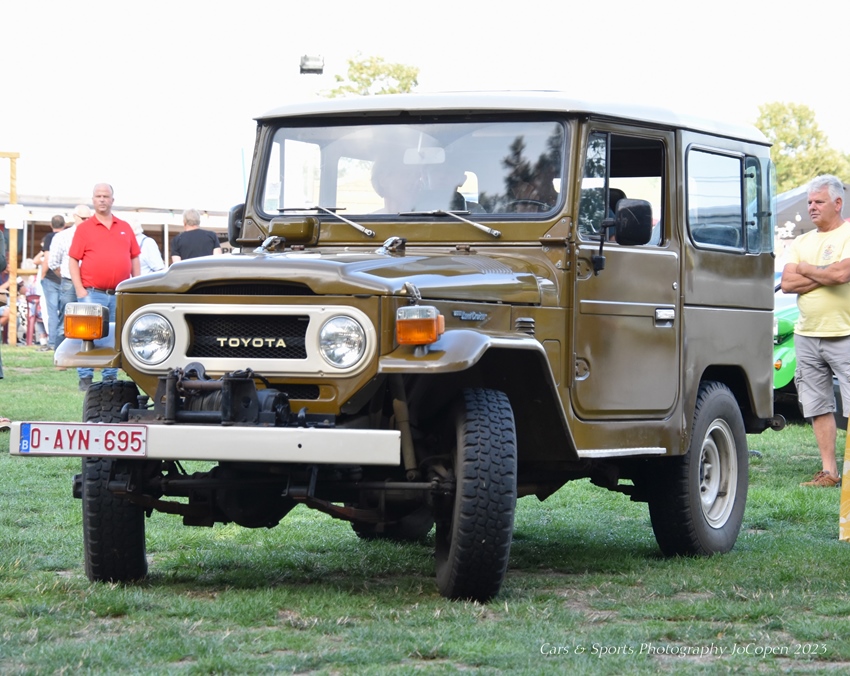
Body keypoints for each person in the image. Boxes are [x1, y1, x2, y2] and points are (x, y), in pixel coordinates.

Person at [781, 174, 850, 487]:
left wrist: (807, 269)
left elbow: (842, 274)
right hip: (807, 334)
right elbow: (787, 283)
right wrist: (825, 274)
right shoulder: (801, 241)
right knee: (817, 404)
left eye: (819, 201)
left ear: (837, 203)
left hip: (845, 332)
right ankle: (830, 472)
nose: (811, 207)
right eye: (809, 202)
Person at [69, 183, 140, 391]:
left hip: (120, 293)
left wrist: (136, 284)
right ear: (93, 200)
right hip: (92, 292)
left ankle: (110, 376)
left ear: (112, 200)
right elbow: (73, 260)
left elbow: (134, 258)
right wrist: (80, 289)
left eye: (106, 196)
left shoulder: (125, 227)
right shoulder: (84, 229)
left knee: (115, 335)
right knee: (86, 336)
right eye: (98, 196)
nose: (102, 199)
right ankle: (85, 376)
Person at [49, 204, 92, 353]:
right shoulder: (63, 236)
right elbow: (53, 263)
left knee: (91, 321)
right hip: (69, 282)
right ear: (75, 217)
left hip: (90, 283)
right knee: (65, 321)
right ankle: (60, 356)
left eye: (89, 218)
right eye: (83, 218)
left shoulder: (93, 235)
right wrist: (68, 276)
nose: (86, 221)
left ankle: (87, 356)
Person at [37, 214, 68, 351]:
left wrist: (43, 275)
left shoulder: (50, 237)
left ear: (51, 225)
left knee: (52, 312)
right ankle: (66, 341)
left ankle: (53, 342)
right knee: (65, 310)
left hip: (51, 278)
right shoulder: (68, 236)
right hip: (65, 278)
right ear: (64, 225)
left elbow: (47, 258)